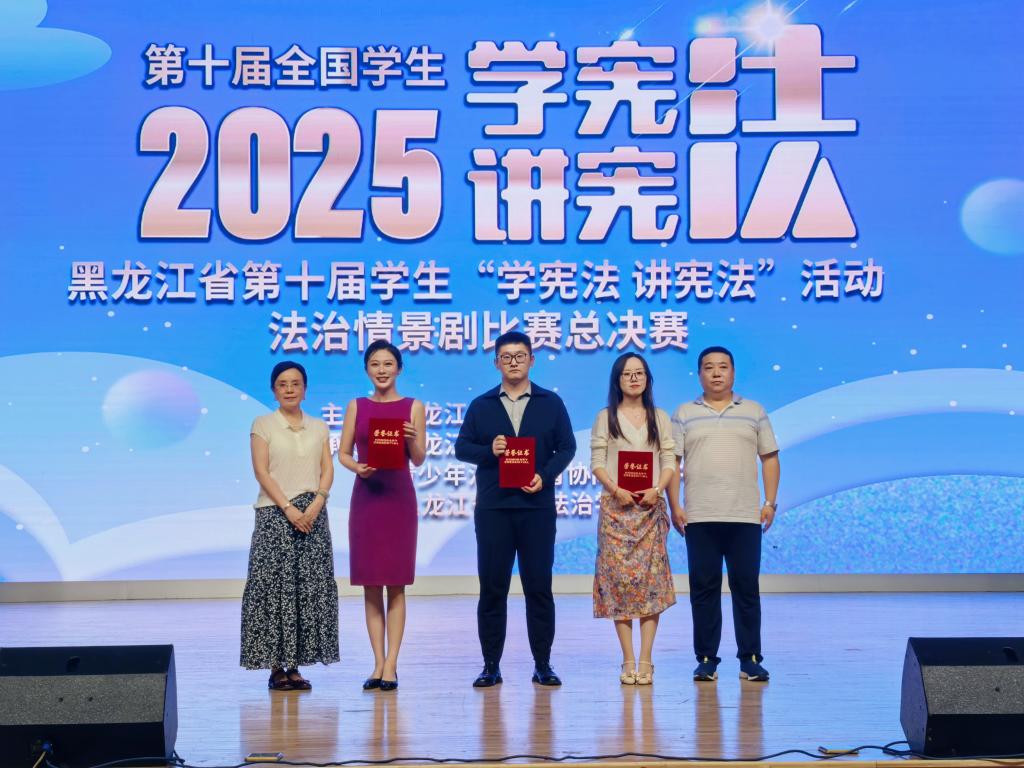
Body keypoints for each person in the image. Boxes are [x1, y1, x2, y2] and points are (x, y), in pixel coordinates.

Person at [455, 331, 576, 688]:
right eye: (506, 356)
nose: (513, 362)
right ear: (496, 362)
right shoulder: (481, 405)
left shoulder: (550, 402)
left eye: (520, 356)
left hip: (537, 509)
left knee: (539, 588)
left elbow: (567, 448)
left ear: (531, 360)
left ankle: (543, 664)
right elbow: (462, 448)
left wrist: (545, 476)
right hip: (494, 509)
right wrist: (488, 450)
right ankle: (491, 666)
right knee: (493, 589)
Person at [668, 346, 781, 683]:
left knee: (746, 588)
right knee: (704, 589)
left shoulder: (754, 411)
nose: (716, 373)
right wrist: (675, 506)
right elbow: (672, 462)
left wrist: (770, 502)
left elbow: (770, 457)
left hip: (744, 516)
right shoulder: (685, 413)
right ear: (699, 374)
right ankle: (706, 659)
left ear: (733, 372)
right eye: (709, 367)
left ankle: (750, 659)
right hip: (700, 516)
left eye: (723, 367)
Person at [241, 361, 338, 691]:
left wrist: (317, 502)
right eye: (282, 384)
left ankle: (295, 667)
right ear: (274, 390)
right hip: (275, 514)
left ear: (305, 389)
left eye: (296, 383)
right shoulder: (263, 424)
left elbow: (327, 469)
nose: (290, 389)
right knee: (274, 589)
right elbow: (261, 471)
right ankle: (275, 667)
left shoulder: (319, 426)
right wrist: (288, 508)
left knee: (306, 588)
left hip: (312, 514)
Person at [338, 340, 426, 692]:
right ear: (367, 370)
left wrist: (412, 439)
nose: (382, 370)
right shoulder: (356, 406)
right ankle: (377, 662)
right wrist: (357, 467)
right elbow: (343, 453)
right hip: (367, 500)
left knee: (396, 583)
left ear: (399, 368)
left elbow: (418, 458)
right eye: (375, 364)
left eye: (388, 363)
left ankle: (392, 664)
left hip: (398, 500)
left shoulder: (413, 406)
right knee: (371, 584)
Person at [590, 353, 677, 685]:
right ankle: (627, 659)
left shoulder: (660, 417)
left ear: (647, 379)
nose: (634, 379)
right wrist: (615, 489)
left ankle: (646, 660)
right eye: (627, 374)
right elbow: (597, 461)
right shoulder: (606, 417)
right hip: (616, 511)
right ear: (618, 380)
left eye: (639, 373)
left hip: (649, 509)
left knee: (651, 585)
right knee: (620, 586)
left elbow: (669, 459)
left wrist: (658, 488)